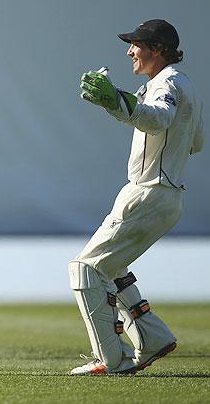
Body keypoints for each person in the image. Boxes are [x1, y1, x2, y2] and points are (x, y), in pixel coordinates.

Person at [70, 19, 203, 375]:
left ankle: (111, 360)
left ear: (158, 49)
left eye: (136, 44)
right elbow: (196, 141)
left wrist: (116, 100)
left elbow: (158, 120)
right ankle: (153, 337)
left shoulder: (169, 83)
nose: (130, 51)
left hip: (149, 191)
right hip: (165, 193)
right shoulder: (183, 84)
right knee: (108, 267)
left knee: (85, 269)